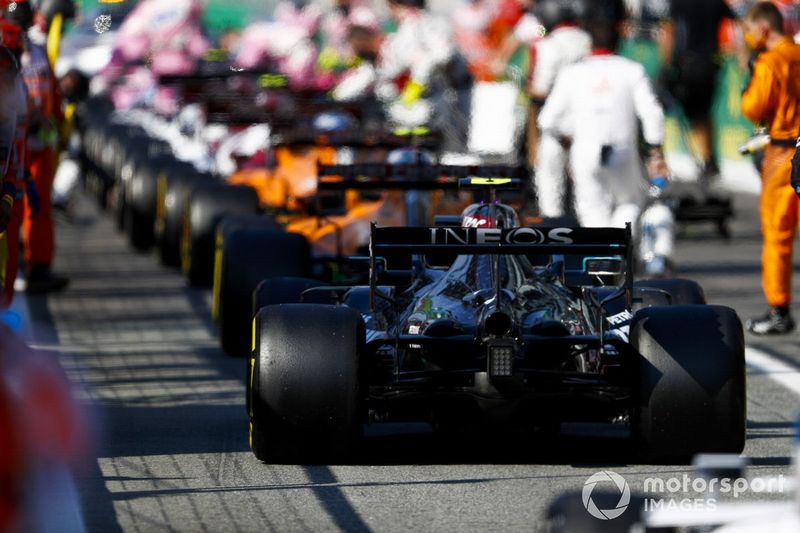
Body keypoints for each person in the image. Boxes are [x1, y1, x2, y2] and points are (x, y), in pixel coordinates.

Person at [537, 0, 667, 230]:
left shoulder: (573, 73)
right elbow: (652, 114)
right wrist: (656, 151)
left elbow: (547, 120)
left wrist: (569, 138)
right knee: (630, 202)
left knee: (591, 209)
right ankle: (617, 251)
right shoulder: (631, 70)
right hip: (622, 150)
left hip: (585, 151)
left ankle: (603, 260)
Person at [741, 2, 800, 335]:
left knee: (778, 235)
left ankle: (779, 309)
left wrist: (751, 76)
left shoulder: (769, 62)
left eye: (749, 29)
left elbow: (754, 107)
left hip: (782, 153)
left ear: (764, 28)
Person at [5, 0, 67, 294]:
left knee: (38, 207)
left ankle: (38, 265)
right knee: (11, 209)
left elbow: (51, 90)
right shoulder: (5, 52)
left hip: (38, 145)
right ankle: (10, 272)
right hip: (11, 144)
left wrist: (53, 123)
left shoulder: (39, 50)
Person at [656, 0, 736, 182]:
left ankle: (657, 155)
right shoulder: (715, 3)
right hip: (710, 65)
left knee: (668, 107)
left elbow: (669, 33)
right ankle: (708, 160)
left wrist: (665, 66)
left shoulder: (680, 4)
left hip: (688, 66)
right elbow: (737, 23)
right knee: (703, 114)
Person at [530, 0, 591, 218]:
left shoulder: (548, 45)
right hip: (587, 123)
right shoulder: (588, 41)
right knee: (586, 190)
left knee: (549, 183)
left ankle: (552, 229)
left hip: (556, 123)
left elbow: (540, 90)